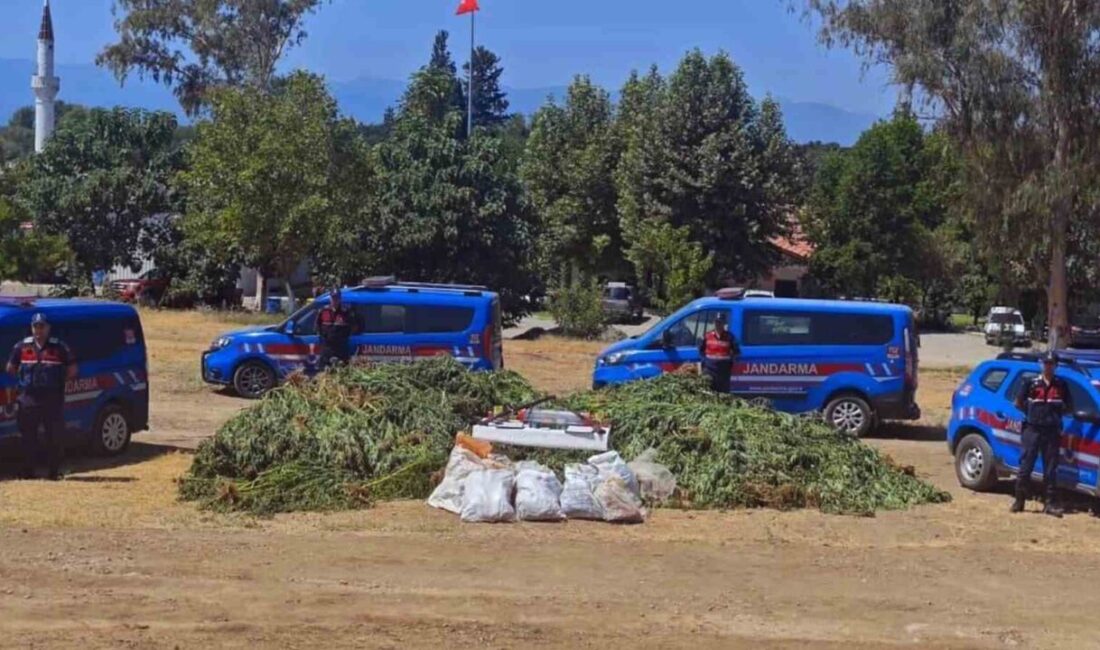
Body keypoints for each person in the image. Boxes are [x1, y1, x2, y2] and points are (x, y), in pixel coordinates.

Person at [5, 313, 77, 480]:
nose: (39, 330)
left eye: (42, 326)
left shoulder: (59, 347)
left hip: (52, 399)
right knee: (28, 437)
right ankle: (29, 471)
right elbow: (10, 367)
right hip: (28, 399)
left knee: (54, 436)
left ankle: (53, 472)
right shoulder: (22, 347)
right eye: (36, 326)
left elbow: (73, 370)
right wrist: (24, 382)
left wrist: (57, 383)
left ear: (48, 328)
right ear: (32, 328)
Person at [1012, 352, 1071, 517]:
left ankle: (1050, 504)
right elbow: (1018, 402)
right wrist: (1032, 414)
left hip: (1051, 432)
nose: (1048, 366)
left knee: (1051, 469)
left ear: (1056, 366)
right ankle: (1019, 501)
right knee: (1025, 466)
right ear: (1041, 364)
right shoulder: (1031, 383)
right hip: (1032, 430)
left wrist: (1054, 418)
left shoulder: (1061, 385)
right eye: (1046, 363)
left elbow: (1068, 407)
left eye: (1051, 364)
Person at [314, 287, 360, 370]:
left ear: (340, 298)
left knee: (342, 373)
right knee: (324, 374)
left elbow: (354, 327)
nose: (335, 300)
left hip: (341, 349)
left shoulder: (346, 312)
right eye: (333, 298)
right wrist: (323, 336)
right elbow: (317, 326)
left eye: (337, 298)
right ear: (330, 298)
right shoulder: (323, 311)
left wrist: (344, 337)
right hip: (327, 348)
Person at [699, 312, 739, 394]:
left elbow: (737, 352)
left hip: (723, 373)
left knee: (723, 396)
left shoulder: (730, 337)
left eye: (720, 322)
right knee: (709, 394)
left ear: (724, 324)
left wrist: (729, 363)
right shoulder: (707, 336)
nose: (718, 324)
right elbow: (701, 351)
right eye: (717, 322)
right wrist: (705, 362)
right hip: (709, 371)